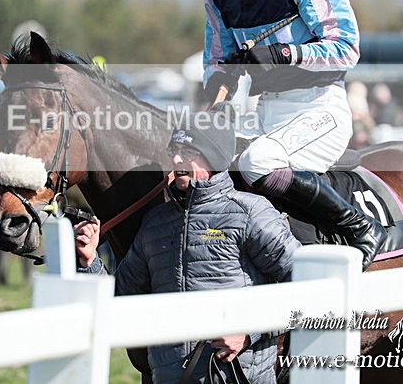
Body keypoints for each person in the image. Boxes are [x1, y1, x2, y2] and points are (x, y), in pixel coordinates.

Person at [164, 0, 385, 269]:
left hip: (320, 109)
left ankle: (358, 226)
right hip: (267, 113)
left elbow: (346, 49)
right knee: (213, 169)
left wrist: (282, 55)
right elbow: (218, 63)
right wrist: (215, 103)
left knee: (258, 162)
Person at [76, 105, 301, 383]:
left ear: (215, 157)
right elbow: (120, 301)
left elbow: (307, 286)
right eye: (174, 150)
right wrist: (89, 262)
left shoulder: (251, 213)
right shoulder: (154, 224)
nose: (177, 158)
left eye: (190, 152)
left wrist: (249, 333)